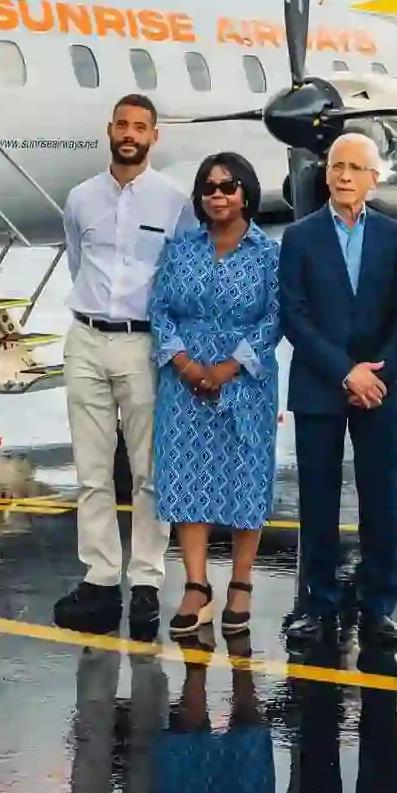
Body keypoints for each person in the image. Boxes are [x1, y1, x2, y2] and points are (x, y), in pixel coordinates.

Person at [53, 94, 190, 634]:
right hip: (86, 338)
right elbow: (76, 261)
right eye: (122, 124)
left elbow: (179, 275)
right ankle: (101, 578)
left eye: (140, 126)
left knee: (148, 470)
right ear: (109, 130)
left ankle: (148, 582)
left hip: (142, 344)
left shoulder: (173, 203)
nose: (129, 133)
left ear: (154, 136)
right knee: (91, 470)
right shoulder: (80, 199)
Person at [276, 131, 397, 653]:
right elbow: (295, 315)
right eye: (336, 166)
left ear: (374, 178)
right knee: (318, 501)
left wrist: (378, 373)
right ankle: (316, 604)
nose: (343, 176)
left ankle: (378, 607)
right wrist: (345, 372)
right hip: (320, 385)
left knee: (381, 499)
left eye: (355, 168)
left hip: (379, 387)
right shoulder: (301, 236)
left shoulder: (394, 235)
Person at [149, 152, 284, 637]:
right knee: (186, 475)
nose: (218, 195)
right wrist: (184, 363)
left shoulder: (268, 254)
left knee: (245, 474)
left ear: (246, 192)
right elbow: (160, 309)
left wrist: (229, 366)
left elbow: (275, 318)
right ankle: (197, 585)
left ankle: (242, 584)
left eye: (228, 187)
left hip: (246, 379)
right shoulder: (181, 248)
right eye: (209, 187)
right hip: (183, 381)